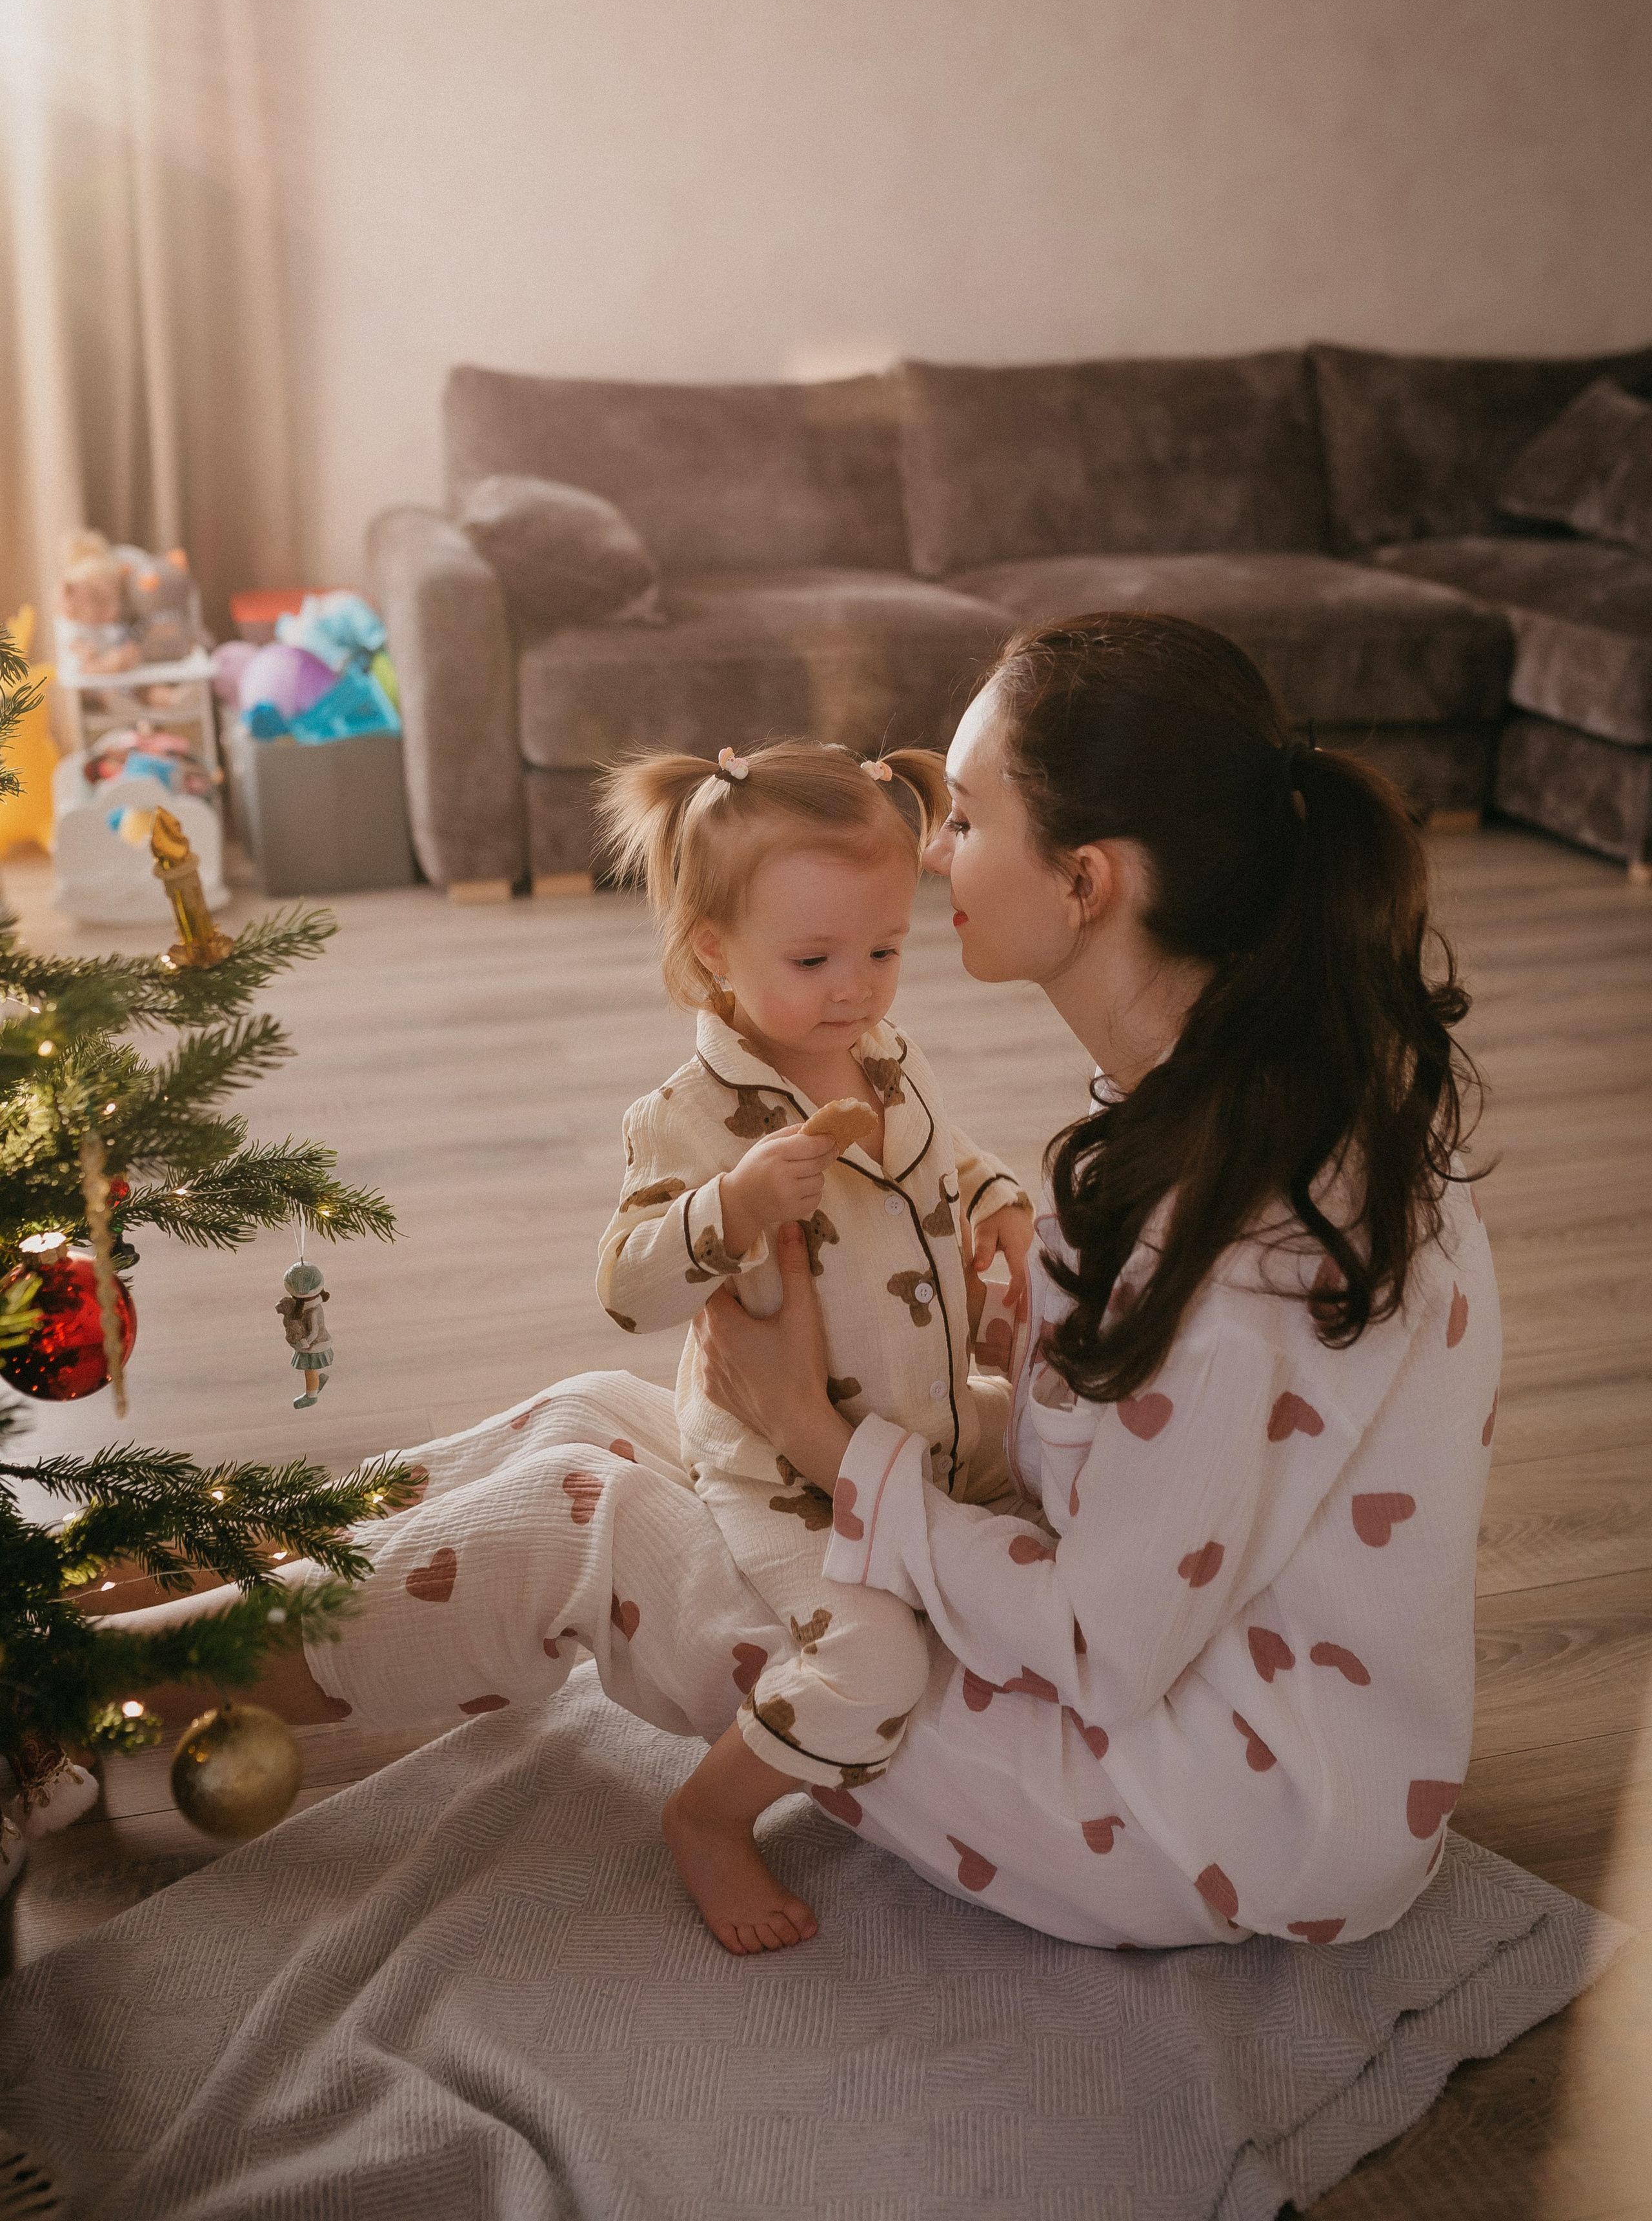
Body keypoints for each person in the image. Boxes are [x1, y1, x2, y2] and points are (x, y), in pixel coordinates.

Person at [110, 612, 1496, 1954]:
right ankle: (113, 1590)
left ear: (1085, 881)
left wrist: (825, 1441)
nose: (934, 851)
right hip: (1195, 1707)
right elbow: (1158, 1496)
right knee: (593, 1413)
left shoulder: (1242, 1242)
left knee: (591, 1518)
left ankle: (65, 1692)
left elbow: (1098, 1641)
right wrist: (988, 1387)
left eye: (964, 815)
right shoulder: (1247, 1098)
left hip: (1194, 1813)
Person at [592, 741, 1033, 1954]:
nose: (859, 989)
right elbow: (628, 1290)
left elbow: (946, 1156)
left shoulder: (891, 1061)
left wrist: (994, 1198)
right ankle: (712, 1817)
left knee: (1080, 1488)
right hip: (787, 1473)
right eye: (815, 960)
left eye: (885, 950)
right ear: (711, 955)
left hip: (934, 1426)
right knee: (872, 1667)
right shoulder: (686, 1118)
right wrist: (726, 1208)